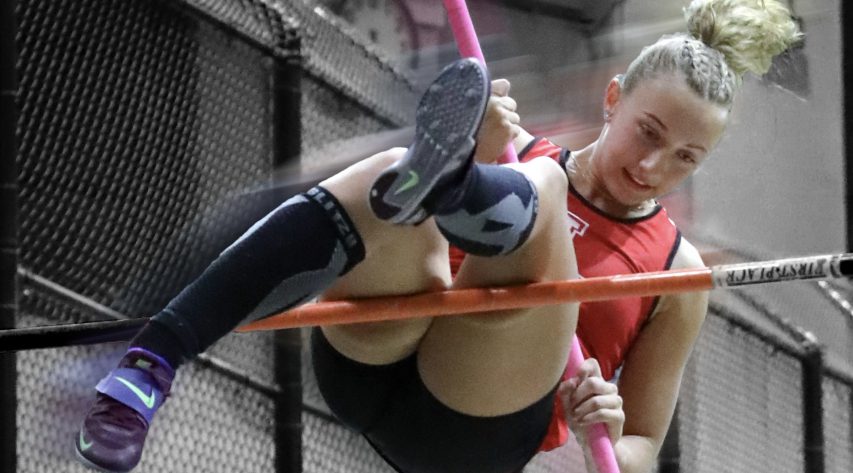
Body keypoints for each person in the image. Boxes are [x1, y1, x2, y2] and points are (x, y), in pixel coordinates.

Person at [74, 1, 800, 472]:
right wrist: (488, 151)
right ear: (613, 100)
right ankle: (149, 366)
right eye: (648, 132)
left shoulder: (677, 272)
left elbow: (638, 448)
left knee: (535, 188)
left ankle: (459, 188)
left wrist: (609, 428)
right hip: (371, 364)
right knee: (400, 171)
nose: (651, 166)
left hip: (470, 428)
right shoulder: (522, 148)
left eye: (683, 158)